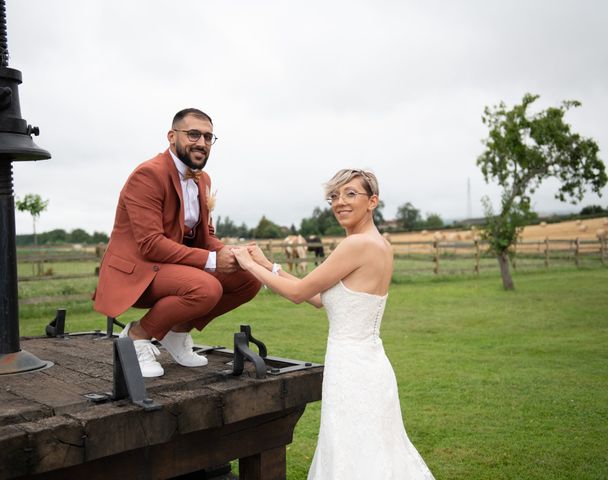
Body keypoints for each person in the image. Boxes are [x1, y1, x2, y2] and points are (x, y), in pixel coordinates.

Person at [232, 169, 434, 479]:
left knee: (352, 456)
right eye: (334, 196)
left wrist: (247, 265)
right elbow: (320, 297)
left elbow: (300, 294)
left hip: (353, 370)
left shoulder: (356, 246)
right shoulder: (378, 244)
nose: (340, 202)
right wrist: (266, 264)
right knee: (371, 453)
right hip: (367, 365)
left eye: (351, 194)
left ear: (373, 201)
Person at [93, 108, 262, 377]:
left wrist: (233, 253)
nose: (202, 143)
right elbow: (150, 244)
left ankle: (176, 331)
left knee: (249, 279)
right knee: (205, 288)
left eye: (208, 137)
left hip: (173, 268)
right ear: (172, 136)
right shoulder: (148, 174)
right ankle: (136, 336)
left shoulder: (202, 179)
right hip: (139, 270)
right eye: (194, 134)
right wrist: (212, 261)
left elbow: (205, 237)